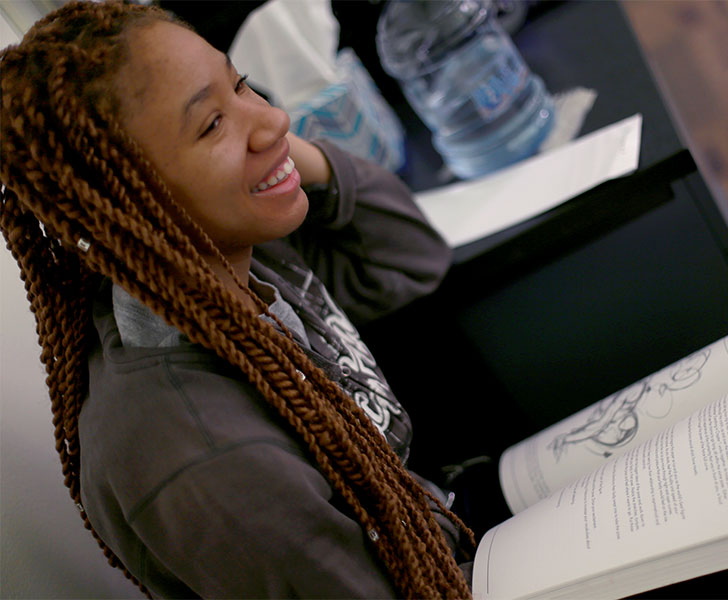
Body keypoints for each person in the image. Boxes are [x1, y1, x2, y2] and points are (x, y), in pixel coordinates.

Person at [0, 1, 475, 597]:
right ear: (130, 201)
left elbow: (407, 258)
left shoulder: (235, 254)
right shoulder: (198, 457)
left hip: (448, 533)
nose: (275, 118)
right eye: (210, 125)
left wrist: (276, 157)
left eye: (242, 83)